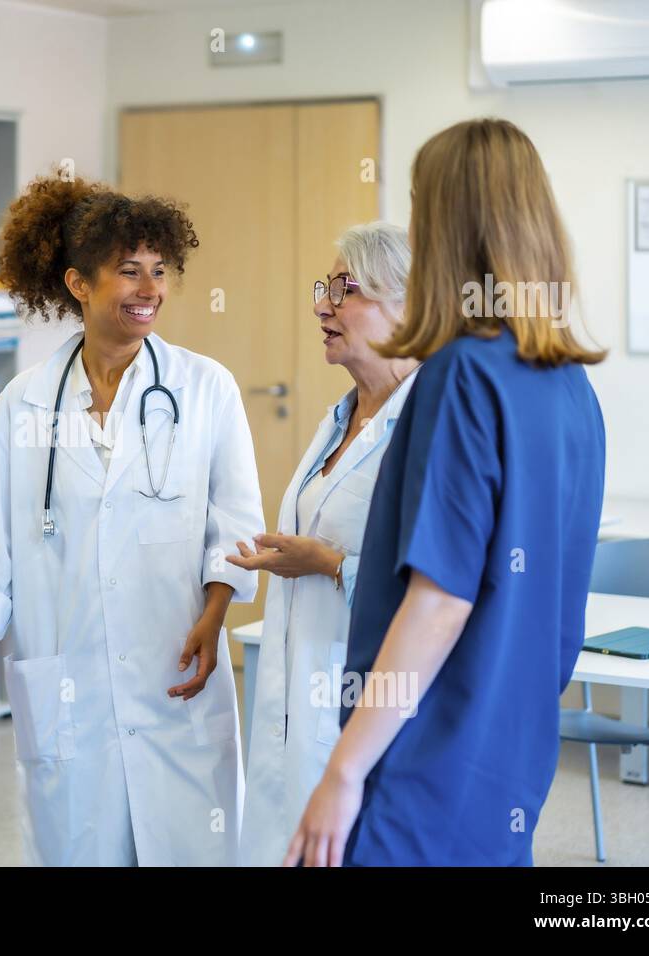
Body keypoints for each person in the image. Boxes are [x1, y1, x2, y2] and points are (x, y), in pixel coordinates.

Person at [286, 118, 606, 866]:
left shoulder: (462, 375)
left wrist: (344, 769)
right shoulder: (569, 386)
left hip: (423, 755)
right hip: (509, 756)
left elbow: (439, 600)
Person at [0, 175, 264, 866]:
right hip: (70, 680)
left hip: (175, 665)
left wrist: (216, 616)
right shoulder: (22, 404)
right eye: (128, 272)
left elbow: (235, 525)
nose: (149, 288)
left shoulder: (205, 388)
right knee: (78, 846)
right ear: (79, 283)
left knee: (190, 845)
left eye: (160, 270)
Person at [232, 222, 419, 867]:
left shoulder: (426, 424)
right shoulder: (342, 417)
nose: (321, 305)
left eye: (346, 289)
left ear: (409, 305)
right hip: (293, 700)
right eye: (325, 287)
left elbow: (436, 589)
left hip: (365, 708)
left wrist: (330, 564)